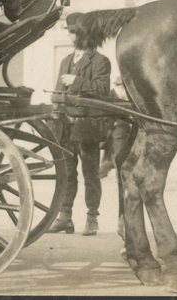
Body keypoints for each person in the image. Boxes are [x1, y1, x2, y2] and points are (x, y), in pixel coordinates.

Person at [47, 13, 112, 236]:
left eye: (73, 31)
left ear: (84, 35)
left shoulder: (100, 61)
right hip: (65, 126)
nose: (70, 35)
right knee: (66, 172)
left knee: (90, 174)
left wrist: (78, 81)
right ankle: (65, 217)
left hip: (88, 126)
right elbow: (58, 91)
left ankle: (92, 217)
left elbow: (103, 90)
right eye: (69, 31)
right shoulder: (66, 60)